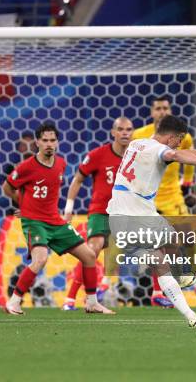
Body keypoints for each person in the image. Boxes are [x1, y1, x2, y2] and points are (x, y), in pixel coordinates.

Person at [107, 115, 196, 327]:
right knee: (174, 241)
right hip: (138, 217)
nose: (180, 143)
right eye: (180, 139)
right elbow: (176, 154)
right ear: (174, 137)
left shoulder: (138, 143)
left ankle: (188, 314)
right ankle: (179, 278)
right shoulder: (161, 150)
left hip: (118, 219)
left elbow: (180, 153)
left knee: (162, 257)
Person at [2, 123, 114, 315]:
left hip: (55, 221)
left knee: (88, 256)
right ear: (37, 142)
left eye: (52, 140)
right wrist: (23, 204)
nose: (49, 144)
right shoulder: (27, 166)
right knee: (40, 259)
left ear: (58, 142)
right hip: (35, 223)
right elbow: (7, 187)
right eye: (44, 140)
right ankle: (14, 302)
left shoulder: (61, 164)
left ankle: (92, 302)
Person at [131, 96, 196, 305]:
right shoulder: (139, 135)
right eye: (158, 108)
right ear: (151, 112)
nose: (162, 111)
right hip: (150, 198)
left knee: (190, 239)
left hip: (173, 196)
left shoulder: (183, 136)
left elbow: (189, 156)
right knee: (158, 245)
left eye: (165, 108)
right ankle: (158, 293)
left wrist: (188, 183)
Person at [61, 117, 133, 310]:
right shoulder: (98, 155)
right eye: (121, 129)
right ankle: (70, 298)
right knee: (91, 251)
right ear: (113, 132)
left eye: (129, 129)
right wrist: (68, 209)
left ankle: (159, 294)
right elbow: (77, 180)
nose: (125, 133)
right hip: (100, 212)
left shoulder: (136, 157)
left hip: (124, 214)